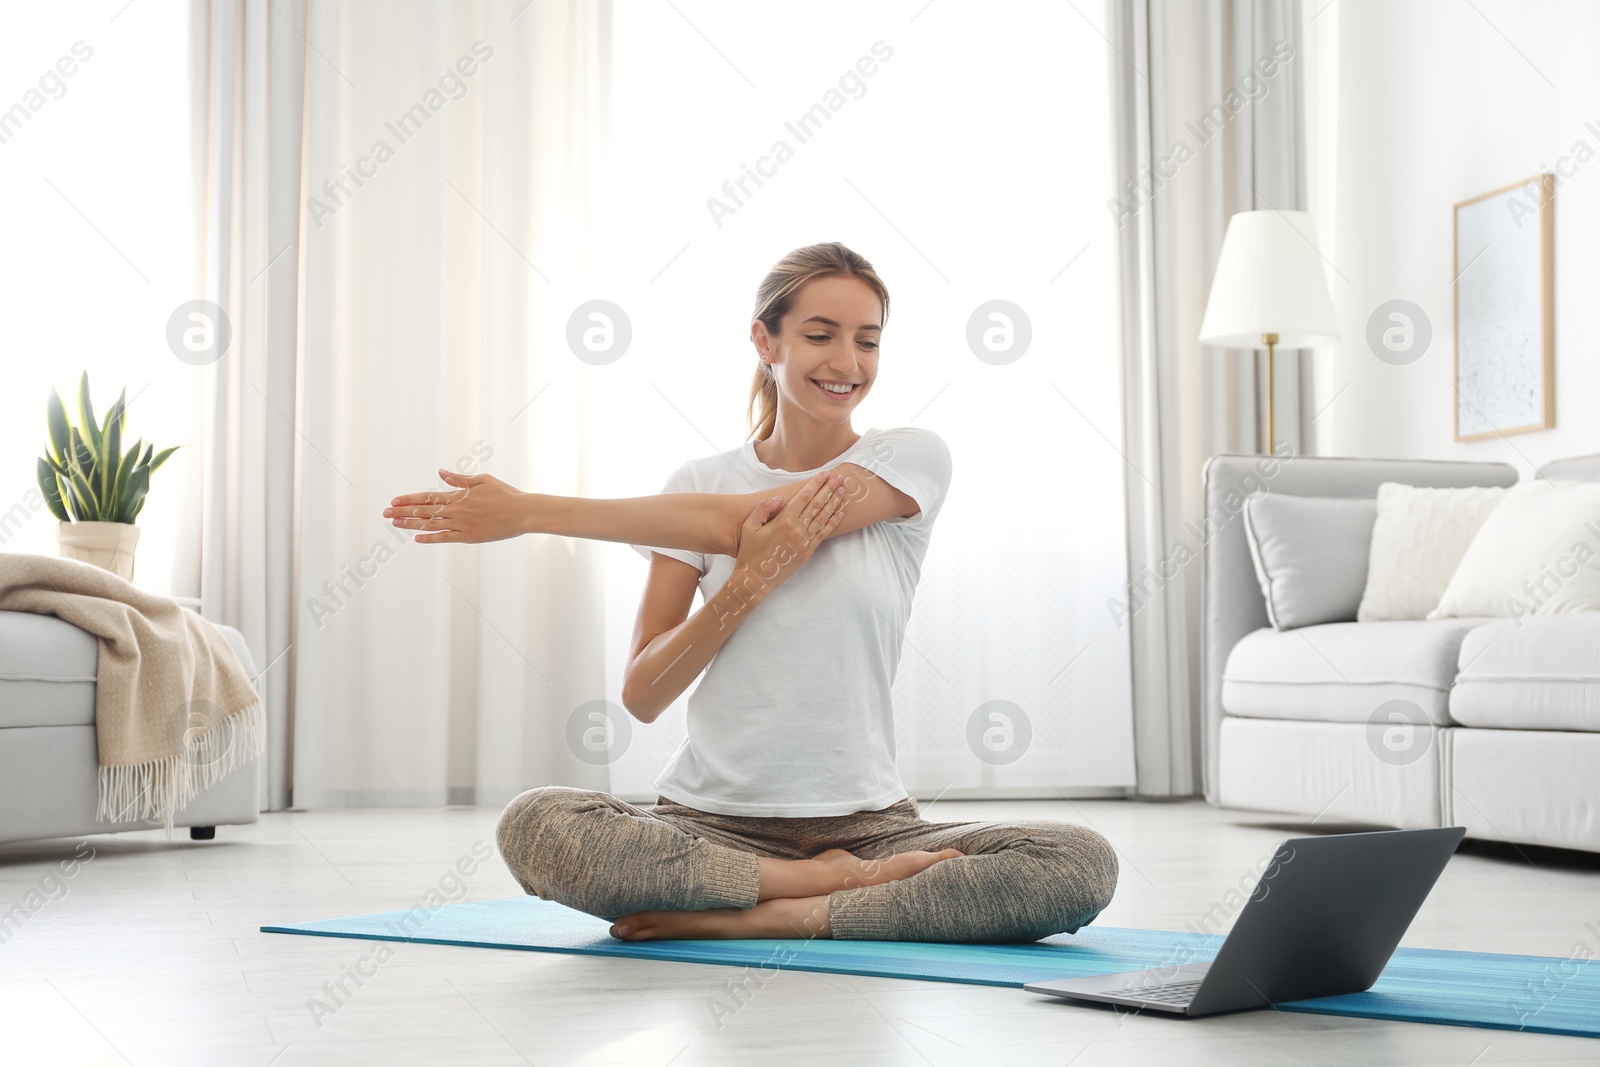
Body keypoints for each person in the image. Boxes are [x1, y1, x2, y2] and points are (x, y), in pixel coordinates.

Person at [383, 241, 1117, 943]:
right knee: (537, 823)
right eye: (822, 335)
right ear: (766, 343)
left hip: (871, 826)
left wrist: (534, 511)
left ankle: (783, 913)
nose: (847, 362)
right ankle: (814, 882)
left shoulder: (907, 461)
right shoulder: (695, 485)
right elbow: (643, 695)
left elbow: (767, 519)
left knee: (1078, 861)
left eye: (868, 340)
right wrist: (746, 587)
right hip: (710, 822)